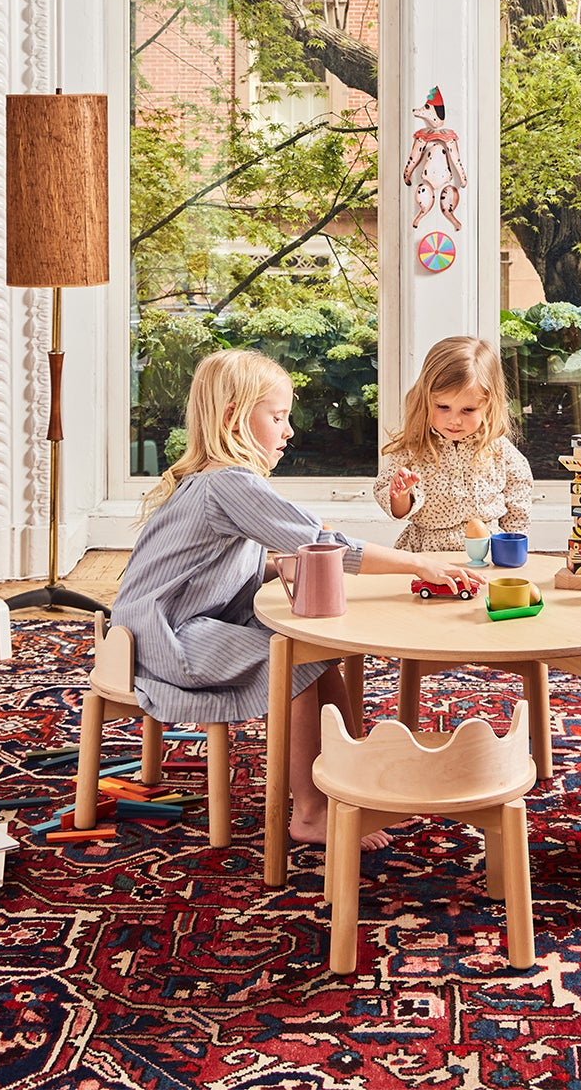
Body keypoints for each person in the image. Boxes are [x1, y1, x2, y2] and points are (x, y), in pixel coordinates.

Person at [110, 348, 478, 849]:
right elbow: (323, 542)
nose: (288, 432)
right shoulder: (228, 483)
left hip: (167, 626)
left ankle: (352, 782)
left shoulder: (207, 480)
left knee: (320, 657)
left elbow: (207, 567)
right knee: (295, 660)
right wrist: (418, 562)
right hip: (168, 640)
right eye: (278, 417)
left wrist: (275, 567)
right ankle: (308, 811)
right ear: (233, 419)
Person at [374, 336, 534, 551]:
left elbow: (518, 502)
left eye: (468, 410)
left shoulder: (499, 450)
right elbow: (398, 510)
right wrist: (401, 495)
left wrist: (512, 548)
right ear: (426, 399)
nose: (454, 420)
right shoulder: (414, 450)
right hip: (427, 553)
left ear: (488, 404)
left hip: (486, 551)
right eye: (443, 407)